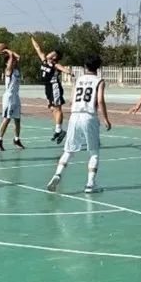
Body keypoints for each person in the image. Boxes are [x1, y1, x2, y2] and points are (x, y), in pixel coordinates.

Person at [46, 55, 112, 194]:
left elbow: (71, 100)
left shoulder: (78, 80)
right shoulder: (99, 81)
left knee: (68, 150)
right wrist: (106, 119)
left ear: (85, 66)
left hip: (74, 116)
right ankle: (90, 184)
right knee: (94, 152)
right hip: (89, 116)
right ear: (98, 67)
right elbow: (100, 101)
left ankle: (57, 174)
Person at [31, 35, 72, 144]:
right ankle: (60, 130)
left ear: (55, 56)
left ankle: (58, 130)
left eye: (52, 53)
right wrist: (32, 38)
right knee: (52, 108)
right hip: (48, 87)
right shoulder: (44, 60)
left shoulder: (55, 65)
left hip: (55, 87)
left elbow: (64, 69)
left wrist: (69, 72)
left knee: (57, 108)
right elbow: (38, 48)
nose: (49, 53)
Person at [0, 47, 25, 151]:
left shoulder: (16, 70)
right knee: (7, 119)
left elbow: (18, 57)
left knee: (17, 120)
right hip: (9, 97)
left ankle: (16, 139)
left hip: (16, 97)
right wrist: (7, 50)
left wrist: (9, 50)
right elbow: (12, 57)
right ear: (6, 63)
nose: (14, 62)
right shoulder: (8, 70)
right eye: (11, 61)